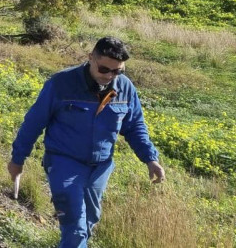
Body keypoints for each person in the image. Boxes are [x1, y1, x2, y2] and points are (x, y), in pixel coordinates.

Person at [9, 37, 165, 248]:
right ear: (90, 58)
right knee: (75, 227)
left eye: (118, 71)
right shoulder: (61, 84)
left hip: (100, 168)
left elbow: (135, 126)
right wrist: (18, 159)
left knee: (89, 223)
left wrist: (150, 159)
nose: (110, 76)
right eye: (104, 69)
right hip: (64, 162)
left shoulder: (125, 89)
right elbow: (34, 122)